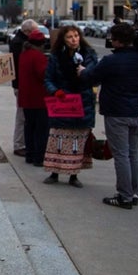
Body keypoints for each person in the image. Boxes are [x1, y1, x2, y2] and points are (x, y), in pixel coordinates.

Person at [78, 23, 138, 209]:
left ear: (116, 40)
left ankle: (124, 196)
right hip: (135, 112)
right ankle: (134, 192)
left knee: (121, 155)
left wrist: (82, 71)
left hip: (116, 113)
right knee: (133, 154)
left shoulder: (110, 61)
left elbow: (91, 77)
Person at [42, 25, 97, 188]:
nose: (74, 39)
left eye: (76, 36)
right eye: (69, 37)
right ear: (63, 40)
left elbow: (94, 75)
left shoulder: (89, 54)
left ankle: (74, 175)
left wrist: (85, 72)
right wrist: (55, 91)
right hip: (62, 102)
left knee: (77, 142)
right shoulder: (56, 56)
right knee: (58, 138)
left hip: (82, 101)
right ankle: (54, 172)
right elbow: (48, 79)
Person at [17, 30, 49, 166]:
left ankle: (29, 154)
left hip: (26, 98)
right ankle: (39, 157)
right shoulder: (39, 57)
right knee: (41, 130)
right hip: (39, 99)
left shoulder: (24, 55)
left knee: (29, 127)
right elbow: (43, 75)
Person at [9, 19, 37, 157]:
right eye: (35, 31)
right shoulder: (19, 44)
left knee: (25, 115)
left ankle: (24, 143)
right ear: (27, 31)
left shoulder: (20, 41)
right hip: (22, 84)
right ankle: (19, 144)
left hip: (23, 84)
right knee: (22, 116)